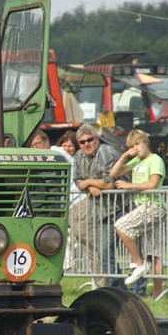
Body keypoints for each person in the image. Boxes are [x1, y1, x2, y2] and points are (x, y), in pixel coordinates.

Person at [110, 129, 167, 286]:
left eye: (137, 144)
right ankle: (155, 293)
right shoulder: (136, 161)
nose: (135, 148)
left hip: (154, 205)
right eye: (131, 146)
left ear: (146, 143)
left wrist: (129, 185)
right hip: (142, 205)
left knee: (121, 226)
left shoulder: (155, 160)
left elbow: (153, 184)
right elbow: (114, 173)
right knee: (151, 253)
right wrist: (124, 155)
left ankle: (138, 264)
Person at [70, 123, 123, 288]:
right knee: (104, 252)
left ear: (97, 139)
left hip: (120, 207)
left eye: (89, 140)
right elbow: (77, 181)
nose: (86, 144)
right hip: (101, 211)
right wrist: (90, 187)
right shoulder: (79, 156)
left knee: (133, 252)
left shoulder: (106, 152)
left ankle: (134, 290)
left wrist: (88, 182)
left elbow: (109, 184)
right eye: (82, 142)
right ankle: (117, 289)